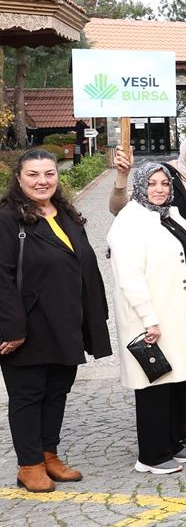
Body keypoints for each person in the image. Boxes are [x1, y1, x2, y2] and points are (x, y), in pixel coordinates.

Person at [0, 150, 112, 491]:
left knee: (56, 392)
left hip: (65, 322)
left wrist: (94, 316)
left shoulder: (64, 213)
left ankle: (49, 455)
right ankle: (29, 464)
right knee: (28, 395)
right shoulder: (7, 218)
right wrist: (12, 328)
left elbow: (84, 265)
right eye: (33, 174)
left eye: (49, 173)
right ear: (19, 178)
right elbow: (2, 276)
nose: (42, 181)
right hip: (28, 325)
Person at [109, 129, 186, 440]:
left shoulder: (175, 210)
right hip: (159, 303)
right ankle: (157, 449)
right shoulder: (134, 216)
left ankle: (177, 437)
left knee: (183, 365)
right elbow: (129, 272)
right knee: (158, 377)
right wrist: (122, 176)